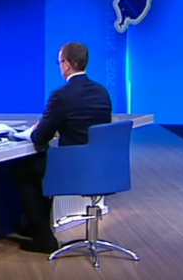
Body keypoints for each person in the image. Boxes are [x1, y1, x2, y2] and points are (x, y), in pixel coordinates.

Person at [13, 42, 113, 253]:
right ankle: (36, 229)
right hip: (103, 166)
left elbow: (40, 137)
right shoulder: (102, 92)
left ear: (67, 64)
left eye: (59, 62)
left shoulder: (61, 95)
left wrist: (38, 128)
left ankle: (43, 237)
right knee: (40, 167)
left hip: (74, 167)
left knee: (25, 170)